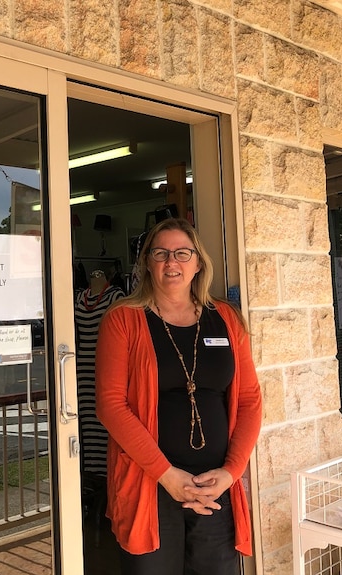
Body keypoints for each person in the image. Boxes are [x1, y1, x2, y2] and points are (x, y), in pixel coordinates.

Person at [95, 217, 262, 575]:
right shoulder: (122, 319)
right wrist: (168, 475)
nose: (172, 262)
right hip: (150, 484)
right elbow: (111, 405)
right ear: (147, 263)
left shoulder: (228, 320)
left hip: (215, 487)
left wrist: (231, 472)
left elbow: (249, 400)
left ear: (198, 262)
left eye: (182, 253)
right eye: (161, 253)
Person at [75, 269, 125, 478]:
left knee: (106, 418)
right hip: (81, 369)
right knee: (86, 422)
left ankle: (107, 475)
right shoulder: (79, 298)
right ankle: (90, 475)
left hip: (105, 364)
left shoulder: (117, 297)